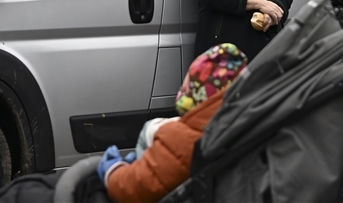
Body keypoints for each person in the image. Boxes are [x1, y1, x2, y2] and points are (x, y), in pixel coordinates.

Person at [98, 43, 248, 203]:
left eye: (186, 88)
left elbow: (132, 188)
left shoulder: (185, 139)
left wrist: (111, 168)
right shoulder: (246, 123)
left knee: (149, 130)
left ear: (195, 95)